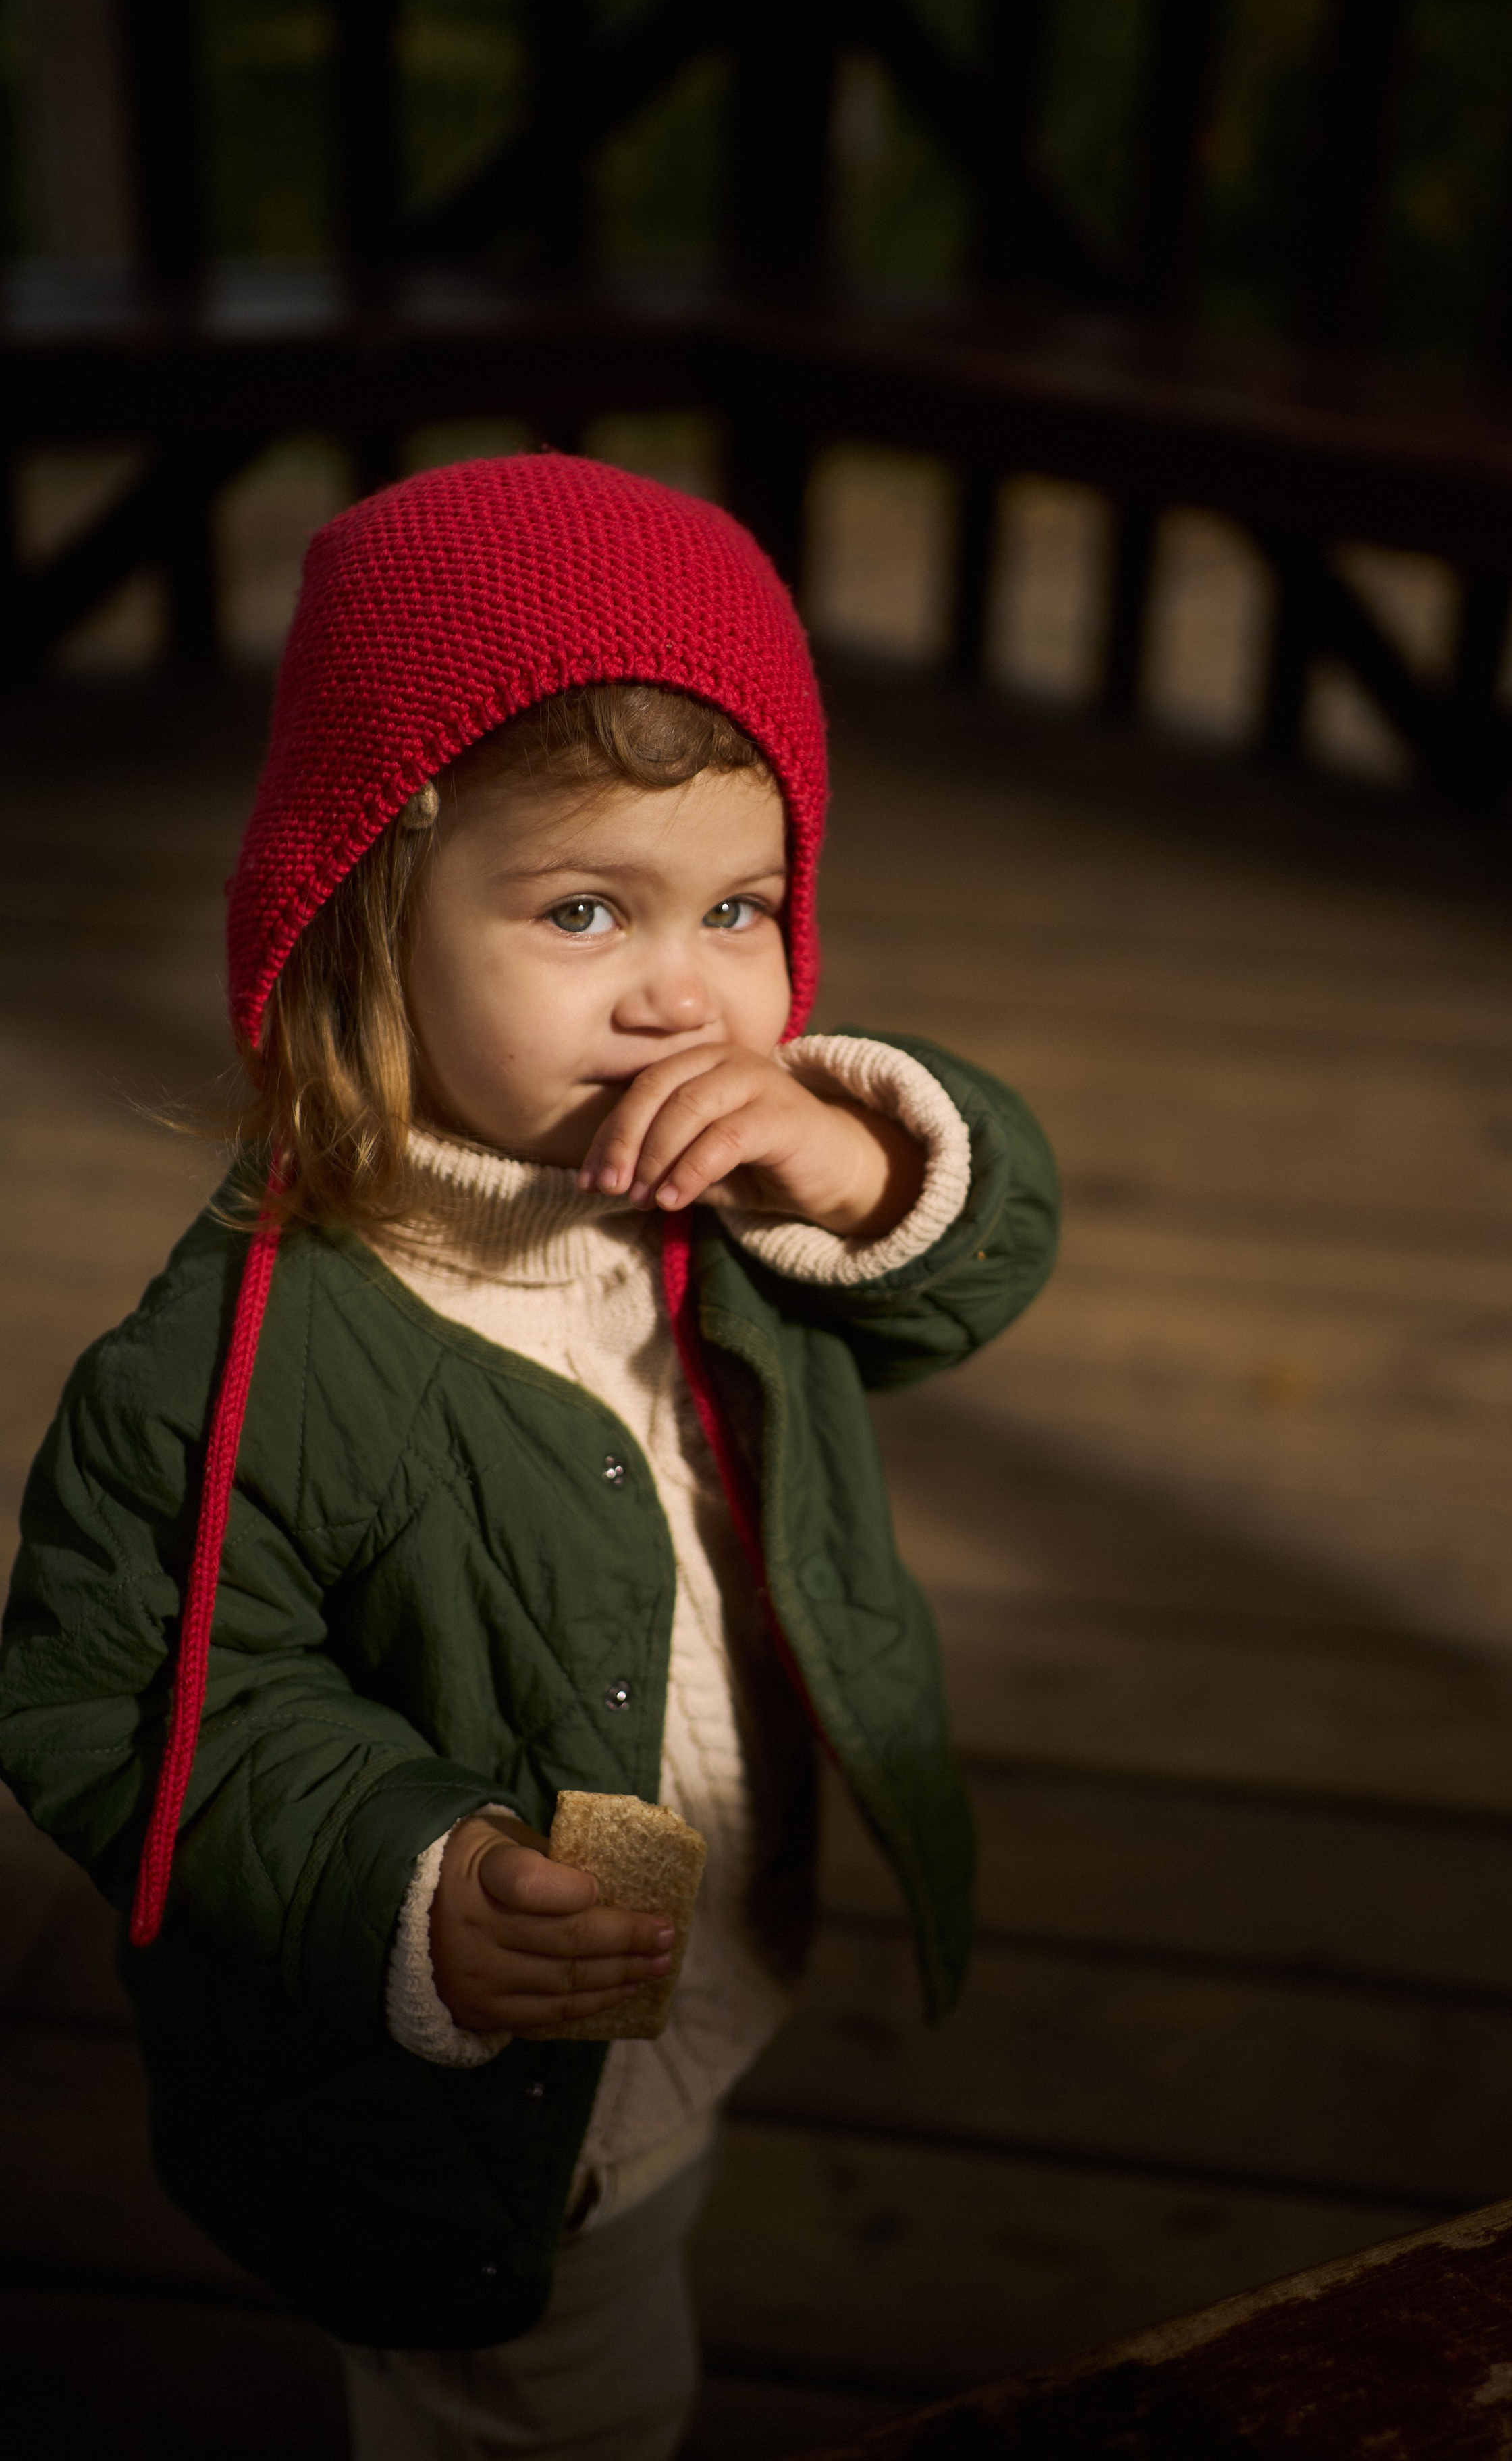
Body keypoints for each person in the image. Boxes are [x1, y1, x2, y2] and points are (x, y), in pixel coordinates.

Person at [0, 452, 1059, 2461]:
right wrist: (415, 1879)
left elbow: (949, 1292)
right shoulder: (243, 1353)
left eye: (737, 906)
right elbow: (127, 1688)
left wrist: (861, 1157)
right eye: (584, 908)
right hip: (456, 2065)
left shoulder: (735, 1181)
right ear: (366, 907)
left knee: (630, 2264)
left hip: (663, 1958)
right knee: (540, 2402)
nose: (682, 990)